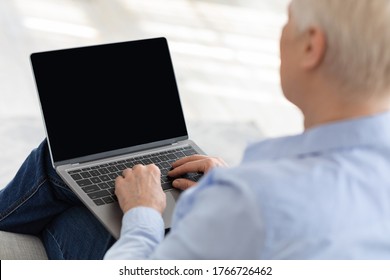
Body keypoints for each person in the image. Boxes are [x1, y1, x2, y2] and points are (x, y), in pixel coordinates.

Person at [2, 0, 390, 259]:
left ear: (311, 47)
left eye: (287, 20)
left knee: (57, 167)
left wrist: (144, 212)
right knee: (81, 187)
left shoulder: (252, 201)